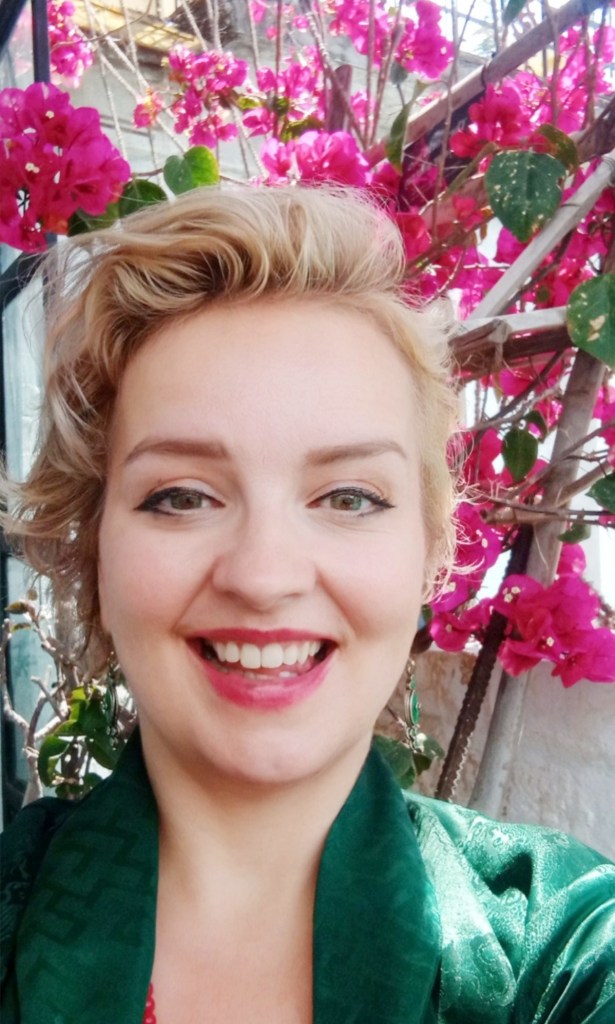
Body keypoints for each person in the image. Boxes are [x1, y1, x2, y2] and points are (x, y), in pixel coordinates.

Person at [0, 186, 613, 1024]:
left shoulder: (558, 949)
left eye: (349, 497)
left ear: (429, 552)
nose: (263, 576)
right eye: (181, 496)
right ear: (94, 550)